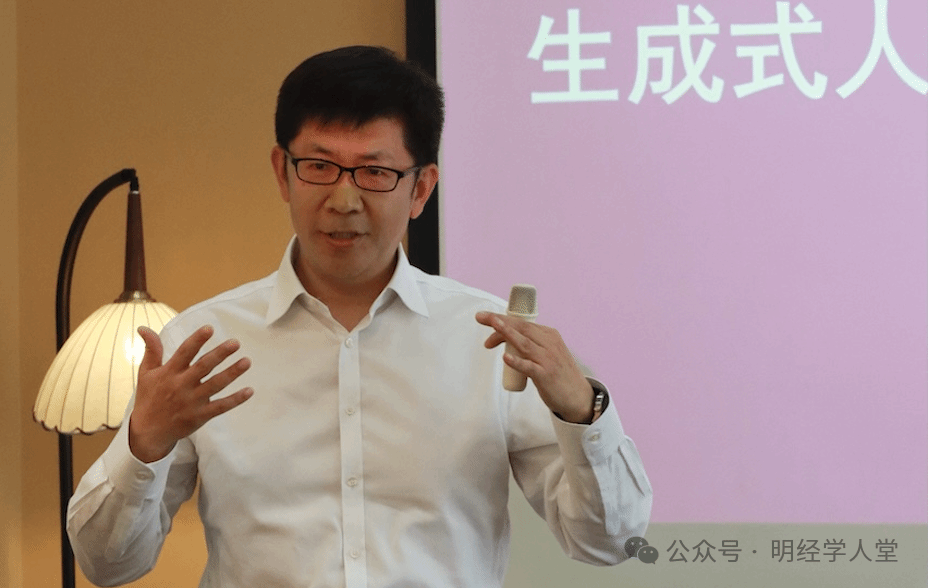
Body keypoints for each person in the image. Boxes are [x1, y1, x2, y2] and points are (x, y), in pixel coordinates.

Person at [67, 45, 652, 588]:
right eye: (319, 166)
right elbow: (107, 564)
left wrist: (583, 410)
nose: (343, 200)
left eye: (375, 172)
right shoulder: (202, 342)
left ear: (421, 189)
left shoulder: (490, 340)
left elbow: (610, 541)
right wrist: (144, 443)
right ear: (281, 171)